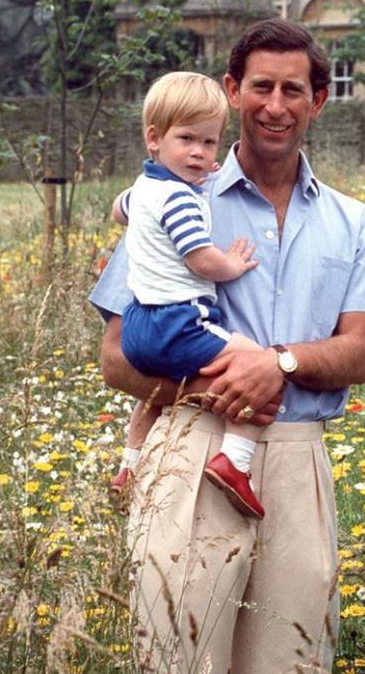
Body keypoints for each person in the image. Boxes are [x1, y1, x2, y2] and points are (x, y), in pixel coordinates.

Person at [90, 20, 365, 674]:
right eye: (258, 86)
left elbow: (358, 353)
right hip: (195, 444)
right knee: (175, 660)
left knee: (289, 667)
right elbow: (114, 356)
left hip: (296, 457)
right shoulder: (173, 195)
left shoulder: (352, 222)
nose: (274, 104)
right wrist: (218, 387)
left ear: (319, 101)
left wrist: (281, 364)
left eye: (292, 89)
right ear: (232, 93)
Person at [108, 71, 266, 519]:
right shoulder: (178, 199)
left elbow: (118, 212)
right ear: (154, 138)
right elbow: (200, 259)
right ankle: (235, 463)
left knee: (153, 397)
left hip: (138, 323)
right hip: (179, 320)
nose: (199, 153)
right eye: (187, 140)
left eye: (210, 143)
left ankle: (130, 465)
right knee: (258, 366)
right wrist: (231, 264)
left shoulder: (142, 190)